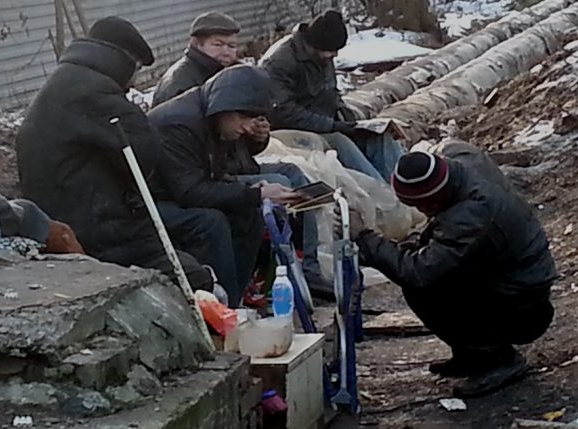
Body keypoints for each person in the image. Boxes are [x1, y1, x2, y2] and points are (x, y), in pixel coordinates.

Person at [341, 143, 557, 397]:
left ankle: (497, 359)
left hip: (522, 302)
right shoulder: (461, 162)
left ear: (437, 197)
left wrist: (365, 237)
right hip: (514, 273)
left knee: (424, 287)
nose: (422, 212)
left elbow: (418, 272)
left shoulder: (471, 212)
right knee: (427, 273)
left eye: (423, 206)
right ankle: (471, 354)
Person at [16, 16, 215, 292]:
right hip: (97, 233)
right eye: (134, 72)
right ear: (127, 61)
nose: (133, 85)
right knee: (195, 276)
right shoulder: (99, 95)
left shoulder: (65, 82)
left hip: (60, 217)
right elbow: (144, 159)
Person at [151, 21, 333, 294]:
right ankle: (224, 300)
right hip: (151, 202)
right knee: (213, 222)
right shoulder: (178, 121)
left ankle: (236, 295)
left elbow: (217, 171)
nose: (247, 126)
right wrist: (253, 193)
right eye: (244, 118)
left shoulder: (217, 116)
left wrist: (253, 186)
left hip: (181, 190)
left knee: (249, 213)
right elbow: (190, 190)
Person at [260, 10, 405, 182]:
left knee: (379, 137)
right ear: (315, 45)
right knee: (340, 142)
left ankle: (402, 186)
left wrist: (352, 122)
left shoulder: (321, 56)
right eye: (330, 51)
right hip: (289, 132)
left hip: (325, 123)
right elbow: (283, 112)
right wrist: (332, 126)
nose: (334, 56)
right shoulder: (280, 61)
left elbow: (330, 92)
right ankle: (379, 191)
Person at [152, 12, 241, 106]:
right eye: (217, 45)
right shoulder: (181, 84)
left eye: (232, 46)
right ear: (197, 44)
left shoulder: (230, 72)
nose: (226, 52)